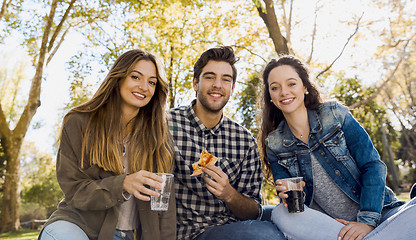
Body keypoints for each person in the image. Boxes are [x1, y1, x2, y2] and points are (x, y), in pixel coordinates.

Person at [258, 55, 416, 240]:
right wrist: (287, 196)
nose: (284, 92)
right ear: (270, 96)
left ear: (305, 87)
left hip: (380, 215)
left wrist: (366, 222)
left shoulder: (334, 115)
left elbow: (373, 166)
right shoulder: (274, 143)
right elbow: (295, 207)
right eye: (275, 87)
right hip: (332, 228)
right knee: (280, 213)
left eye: (291, 84)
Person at [39, 49, 176, 240]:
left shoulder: (158, 137)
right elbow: (74, 191)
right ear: (118, 78)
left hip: (130, 235)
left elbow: (165, 209)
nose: (144, 87)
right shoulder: (80, 122)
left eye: (152, 82)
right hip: (78, 226)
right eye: (135, 77)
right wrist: (124, 184)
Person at [167, 46, 285, 240]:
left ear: (232, 88)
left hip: (230, 230)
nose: (217, 85)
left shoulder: (245, 141)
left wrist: (229, 194)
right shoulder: (166, 124)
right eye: (210, 77)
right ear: (195, 83)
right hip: (183, 233)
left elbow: (254, 211)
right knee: (265, 234)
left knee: (283, 220)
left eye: (226, 79)